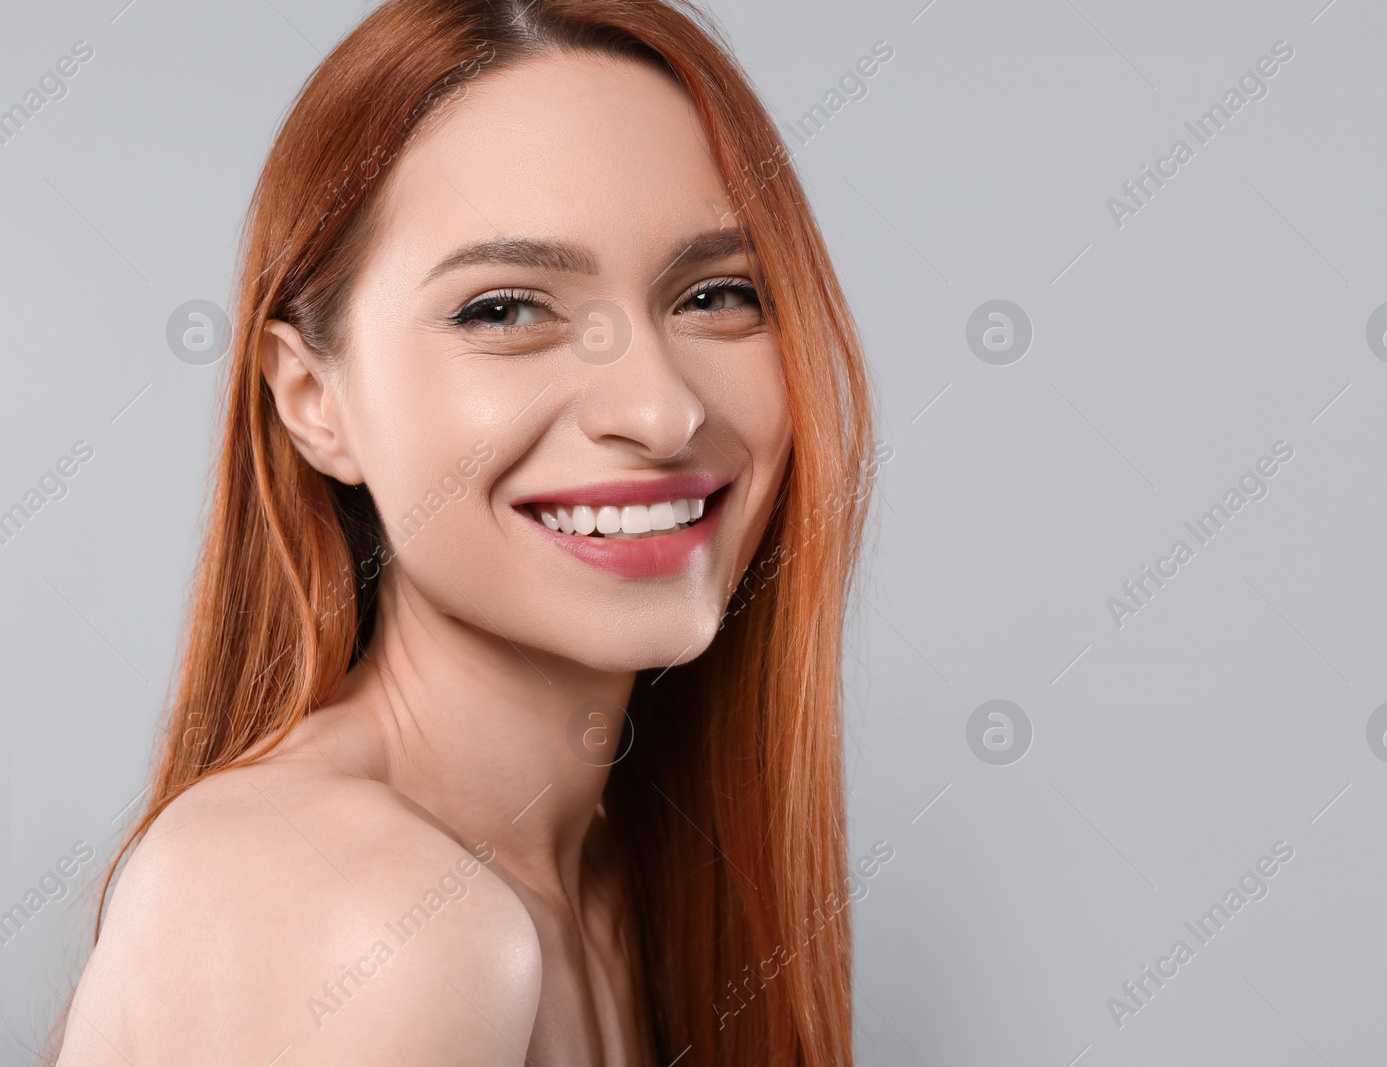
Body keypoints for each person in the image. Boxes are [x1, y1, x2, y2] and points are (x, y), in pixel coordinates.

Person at [50, 1, 877, 1063]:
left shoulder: (617, 878)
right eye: (505, 310)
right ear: (313, 399)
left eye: (715, 293)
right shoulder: (373, 923)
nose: (662, 410)